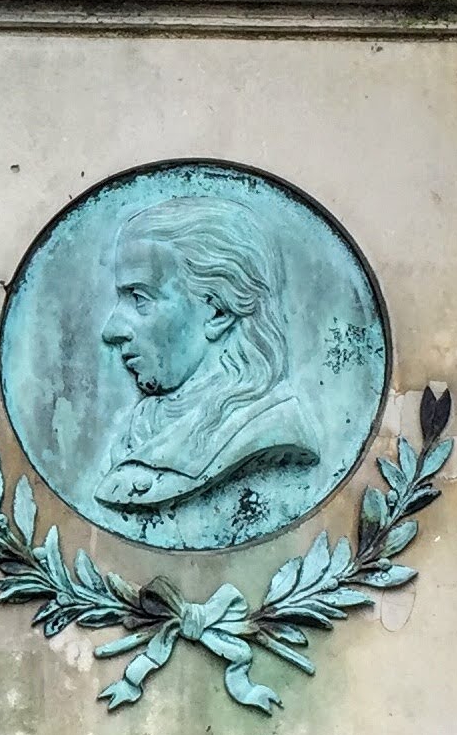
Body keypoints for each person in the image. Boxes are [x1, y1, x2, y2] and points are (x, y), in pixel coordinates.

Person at [94, 196, 320, 520]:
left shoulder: (269, 435)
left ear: (216, 311)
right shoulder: (145, 429)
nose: (112, 329)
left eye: (139, 298)